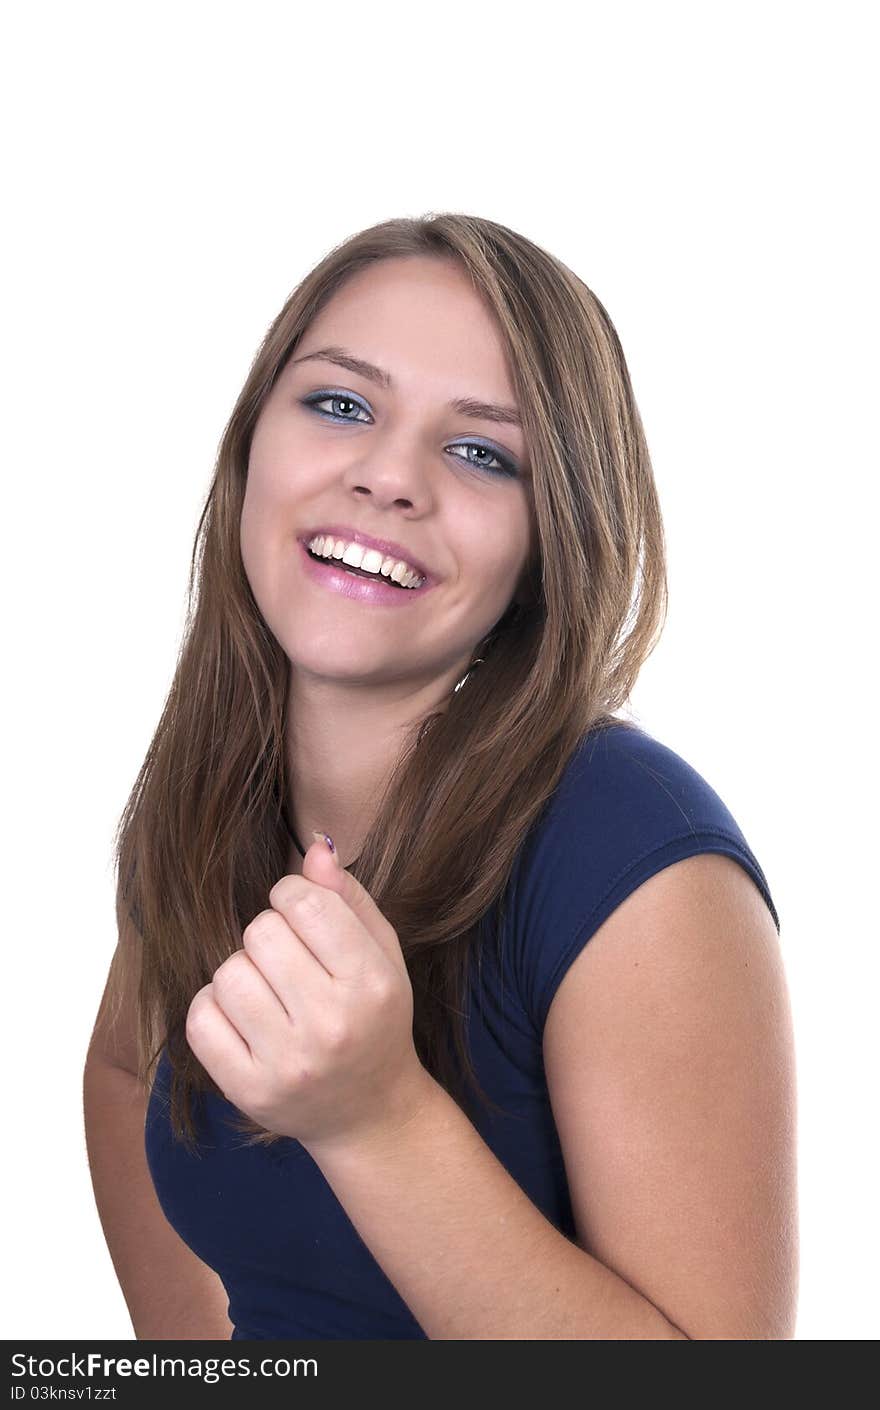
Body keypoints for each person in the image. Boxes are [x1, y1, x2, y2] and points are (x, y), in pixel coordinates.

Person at [83, 213, 797, 1341]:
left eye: (480, 453)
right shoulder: (216, 795)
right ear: (249, 445)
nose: (386, 477)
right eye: (340, 403)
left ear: (549, 543)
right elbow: (128, 1068)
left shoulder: (637, 857)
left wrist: (374, 1118)